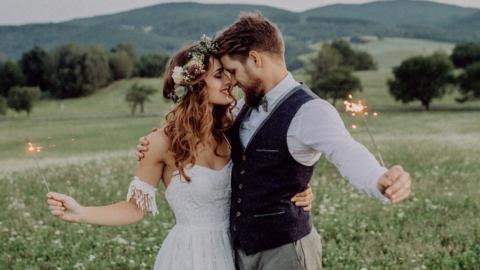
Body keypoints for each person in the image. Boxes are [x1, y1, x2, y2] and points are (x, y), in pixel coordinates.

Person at [137, 13, 412, 270]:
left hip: (286, 251)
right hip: (236, 253)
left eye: (233, 70)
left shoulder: (311, 111)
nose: (231, 82)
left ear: (255, 59)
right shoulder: (241, 107)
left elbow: (347, 151)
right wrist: (155, 143)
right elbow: (204, 131)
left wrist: (379, 179)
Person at [45, 35, 313, 270]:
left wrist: (300, 189)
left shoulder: (232, 131)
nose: (229, 81)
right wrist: (82, 213)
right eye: (219, 75)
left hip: (234, 251)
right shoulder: (161, 142)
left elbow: (264, 172)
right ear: (195, 83)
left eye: (228, 74)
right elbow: (133, 210)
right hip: (190, 255)